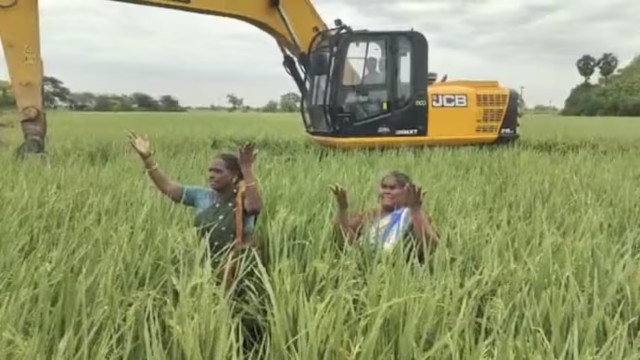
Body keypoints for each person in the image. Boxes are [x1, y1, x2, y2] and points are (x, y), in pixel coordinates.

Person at [127, 131, 267, 355]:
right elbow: (168, 188)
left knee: (242, 319)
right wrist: (147, 158)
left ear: (233, 177)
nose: (211, 175)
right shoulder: (201, 196)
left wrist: (248, 170)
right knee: (210, 317)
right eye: (210, 170)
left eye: (218, 171)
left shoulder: (243, 198)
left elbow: (255, 208)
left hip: (238, 269)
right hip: (206, 268)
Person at [330, 170, 439, 263]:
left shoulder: (412, 216)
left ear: (407, 192)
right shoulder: (370, 215)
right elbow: (344, 240)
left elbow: (432, 247)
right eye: (384, 187)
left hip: (399, 273)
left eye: (392, 188)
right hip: (366, 268)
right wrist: (342, 209)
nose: (387, 191)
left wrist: (416, 211)